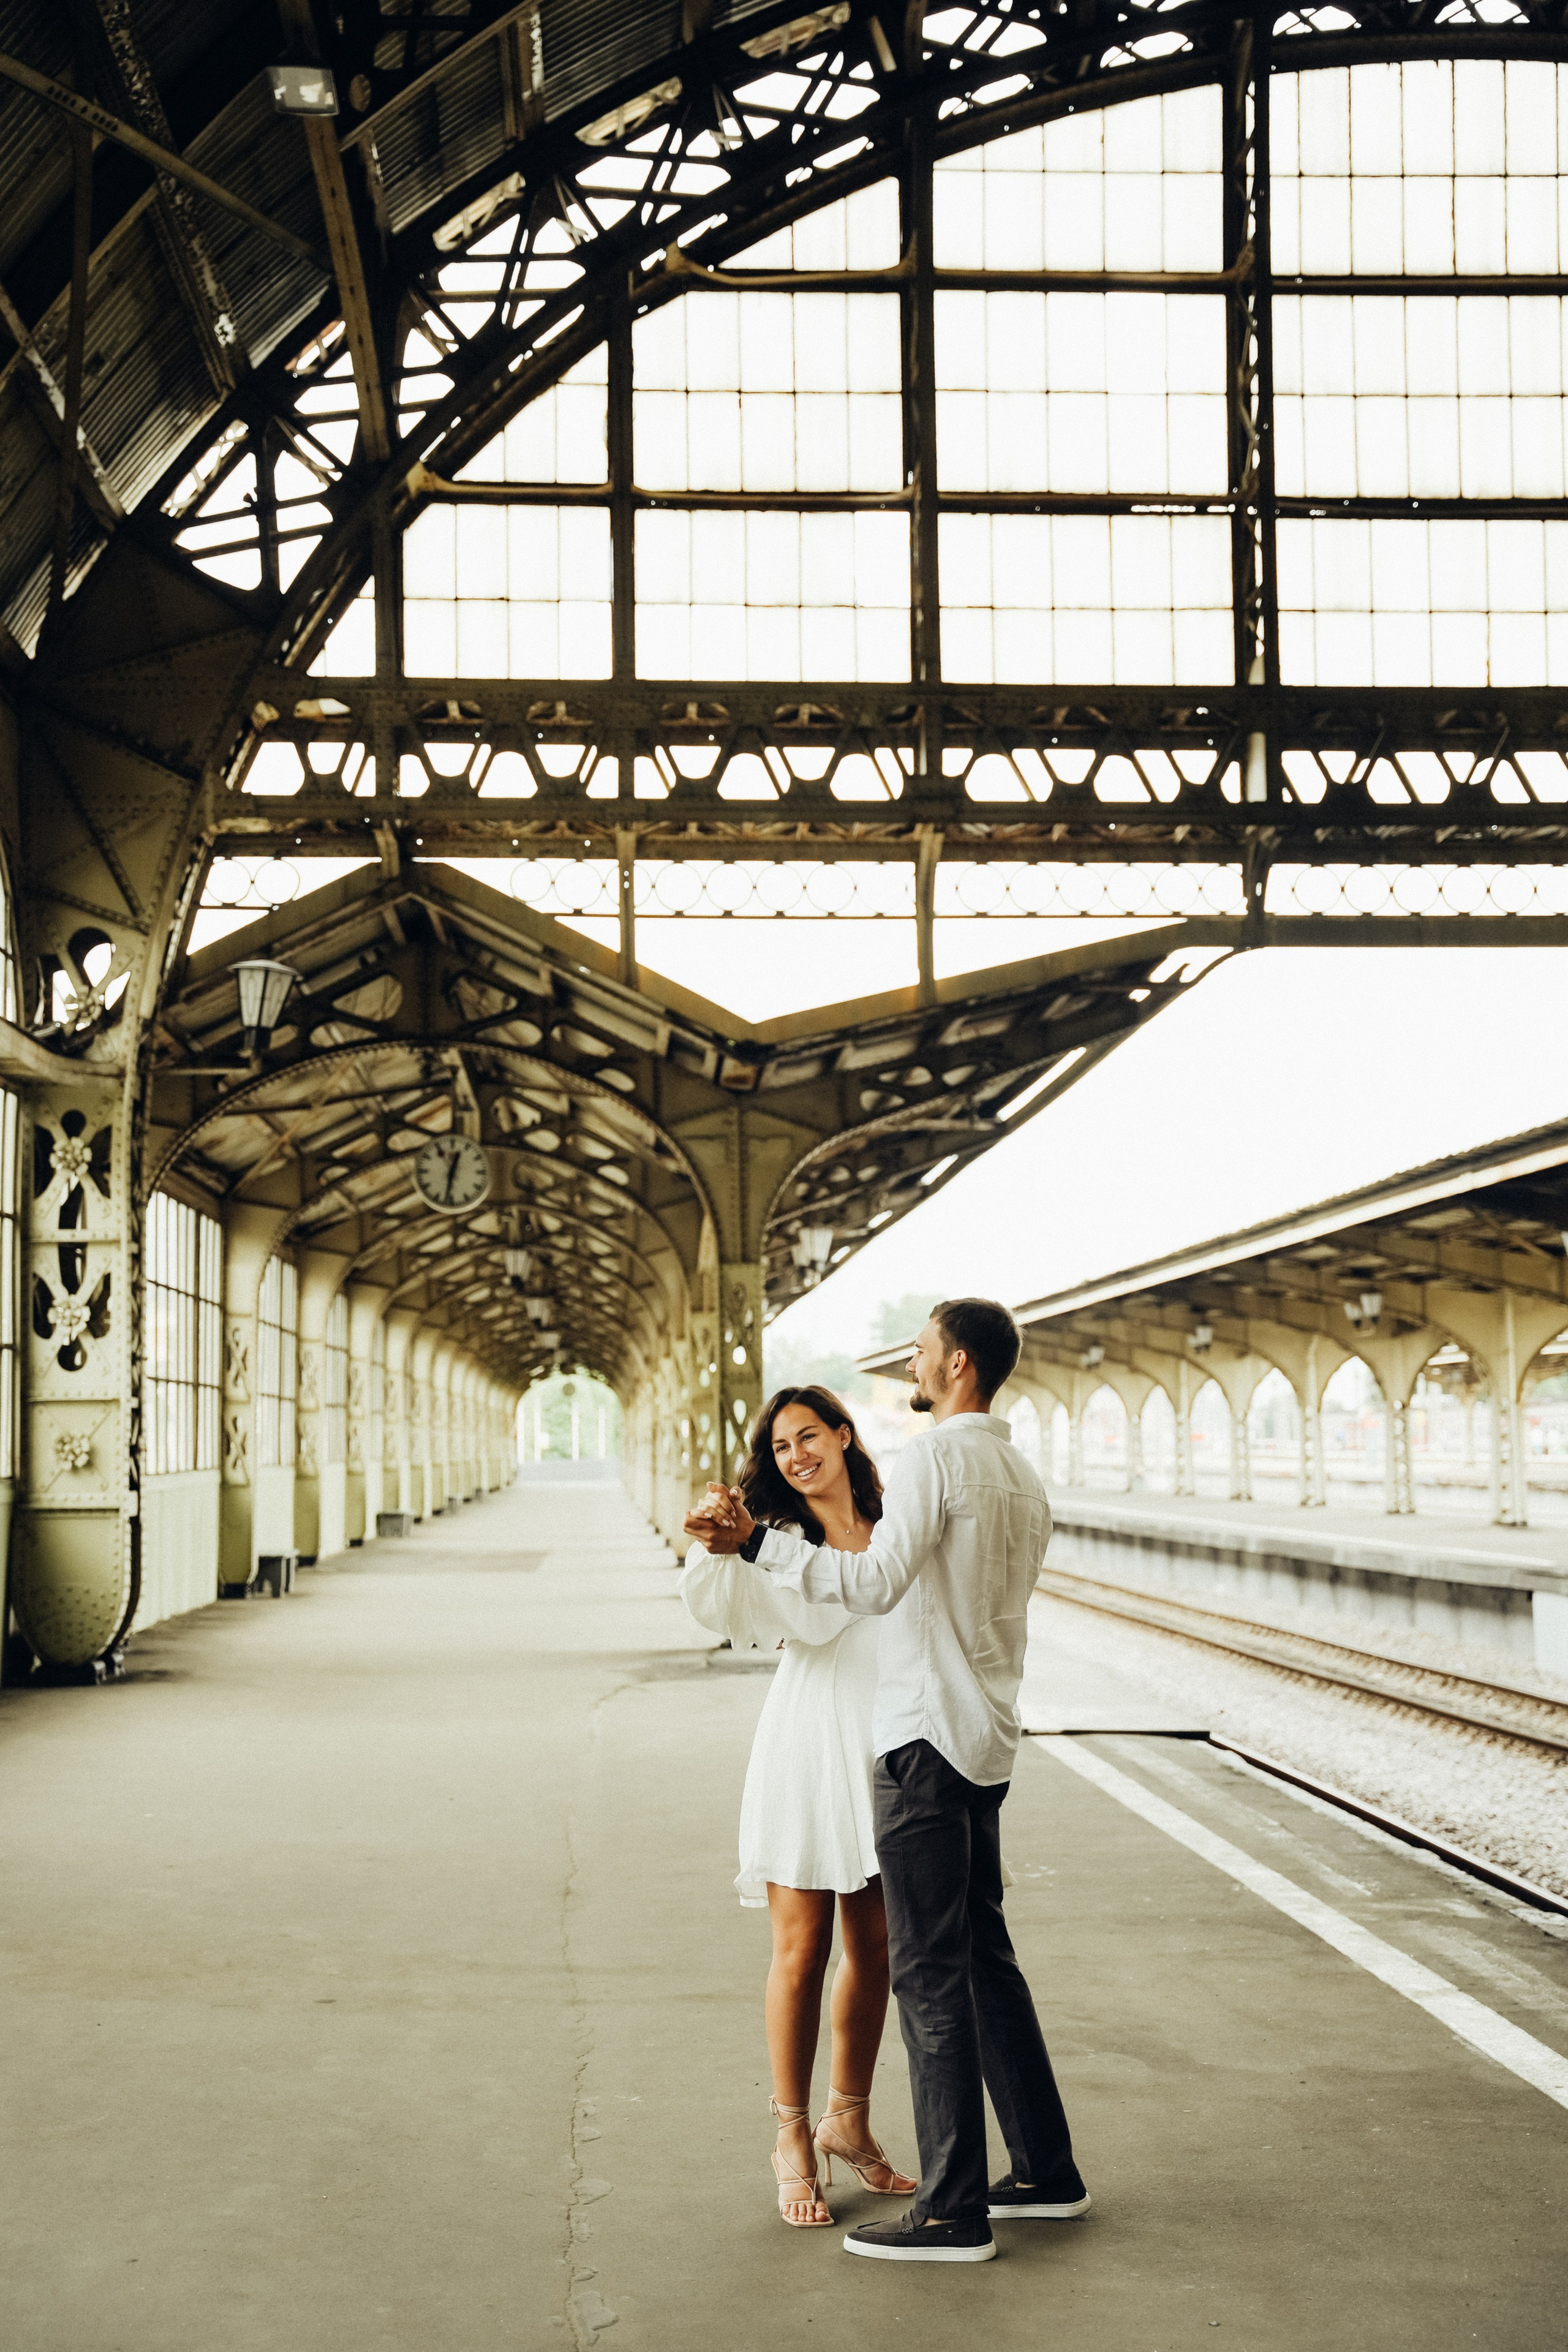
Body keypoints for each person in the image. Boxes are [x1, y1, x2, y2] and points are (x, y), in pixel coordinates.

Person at [685, 1300, 1087, 2267]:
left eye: (920, 1350)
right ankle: (1043, 2170)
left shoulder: (938, 1458)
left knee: (928, 1973)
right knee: (985, 1960)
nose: (912, 1363)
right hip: (983, 1737)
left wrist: (758, 1545)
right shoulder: (1020, 1474)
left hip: (920, 1740)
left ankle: (951, 2211)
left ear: (956, 1364)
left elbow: (872, 1587)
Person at [679, 1385, 916, 2230]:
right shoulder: (774, 1536)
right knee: (802, 1946)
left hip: (886, 1744)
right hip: (812, 1742)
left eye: (809, 1436)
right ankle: (789, 2136)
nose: (797, 1456)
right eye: (781, 1447)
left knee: (877, 1945)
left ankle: (847, 2118)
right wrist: (720, 1545)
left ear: (844, 1436)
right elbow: (720, 1607)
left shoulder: (892, 1527)